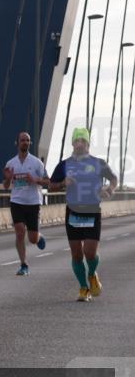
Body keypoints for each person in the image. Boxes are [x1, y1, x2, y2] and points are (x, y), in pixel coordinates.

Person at [48, 127, 118, 302]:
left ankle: (92, 274)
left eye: (83, 141)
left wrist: (109, 189)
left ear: (88, 144)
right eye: (77, 141)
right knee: (77, 254)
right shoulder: (64, 164)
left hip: (92, 211)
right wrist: (64, 182)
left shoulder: (98, 163)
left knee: (90, 253)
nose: (79, 144)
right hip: (73, 212)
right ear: (72, 143)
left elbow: (114, 178)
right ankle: (83, 288)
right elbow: (51, 185)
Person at [2, 131, 48, 276]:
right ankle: (24, 264)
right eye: (23, 140)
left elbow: (48, 181)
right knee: (20, 232)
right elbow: (5, 185)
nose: (25, 142)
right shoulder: (11, 163)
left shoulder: (36, 163)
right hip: (17, 201)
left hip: (33, 203)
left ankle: (39, 237)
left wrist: (34, 180)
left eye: (28, 140)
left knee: (32, 238)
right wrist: (8, 179)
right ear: (17, 143)